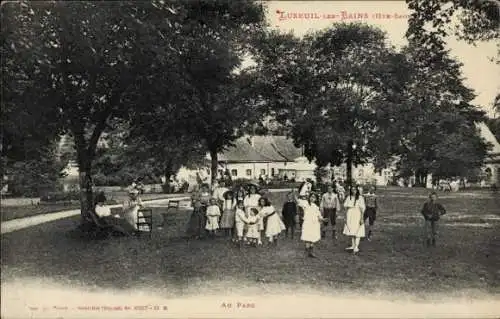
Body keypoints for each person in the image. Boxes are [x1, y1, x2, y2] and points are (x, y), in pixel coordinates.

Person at [297, 193, 326, 258]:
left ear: (315, 199)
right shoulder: (305, 204)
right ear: (309, 197)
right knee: (307, 237)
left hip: (314, 224)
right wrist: (295, 195)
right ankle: (306, 252)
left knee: (312, 237)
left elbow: (319, 216)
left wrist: (323, 219)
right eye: (311, 197)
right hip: (307, 223)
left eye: (314, 197)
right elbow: (298, 201)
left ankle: (311, 252)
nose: (312, 198)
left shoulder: (315, 206)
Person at [343, 186, 366, 254]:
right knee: (351, 230)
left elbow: (362, 209)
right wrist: (345, 217)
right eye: (352, 190)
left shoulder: (360, 198)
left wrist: (361, 218)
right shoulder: (348, 197)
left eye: (355, 190)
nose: (353, 191)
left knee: (358, 230)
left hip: (357, 214)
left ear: (357, 190)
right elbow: (346, 208)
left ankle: (356, 247)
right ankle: (353, 245)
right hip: (350, 215)